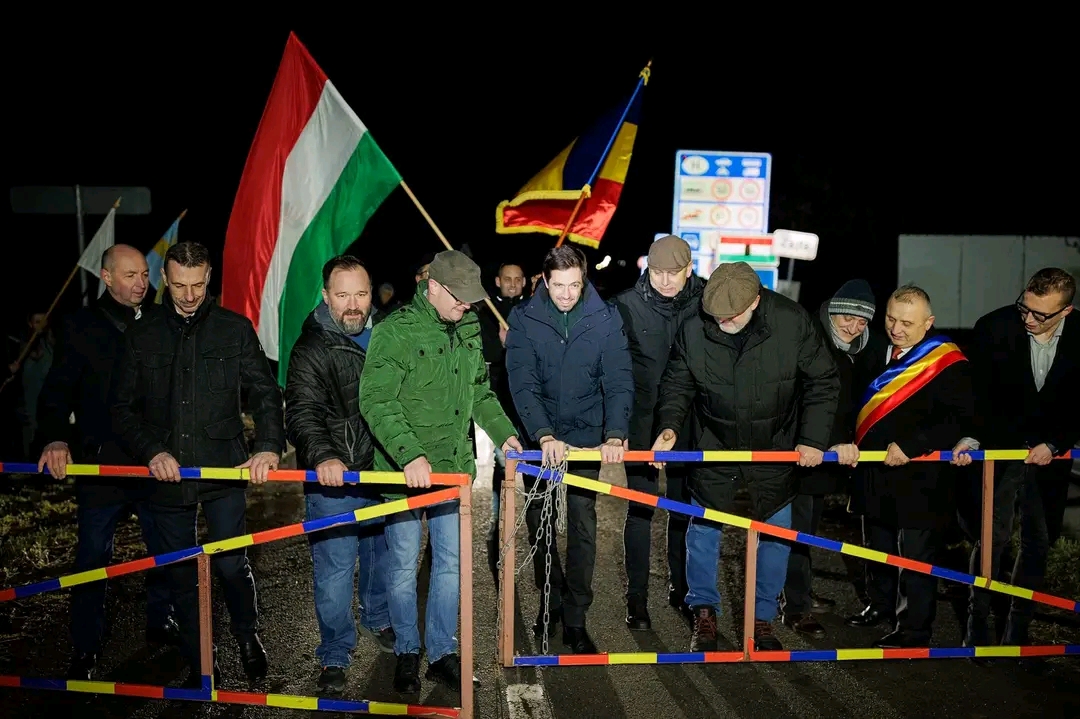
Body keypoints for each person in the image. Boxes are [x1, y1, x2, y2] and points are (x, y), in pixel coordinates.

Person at [110, 241, 285, 688]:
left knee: (229, 564)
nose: (189, 295)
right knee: (181, 573)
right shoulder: (142, 333)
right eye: (180, 285)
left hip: (223, 471)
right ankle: (200, 659)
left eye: (199, 285)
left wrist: (267, 445)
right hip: (166, 477)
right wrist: (152, 451)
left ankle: (248, 636)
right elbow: (122, 408)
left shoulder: (234, 329)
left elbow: (265, 393)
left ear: (211, 280)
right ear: (165, 280)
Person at [653, 261, 840, 652]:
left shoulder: (792, 323)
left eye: (730, 316)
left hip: (776, 444)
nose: (720, 322)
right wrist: (669, 427)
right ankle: (704, 612)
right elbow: (677, 381)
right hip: (714, 443)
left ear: (756, 302)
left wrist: (812, 439)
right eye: (716, 316)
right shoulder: (695, 325)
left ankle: (763, 617)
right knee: (703, 532)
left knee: (775, 534)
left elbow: (823, 380)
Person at [360, 250, 521, 694]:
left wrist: (505, 433)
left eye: (471, 298)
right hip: (405, 473)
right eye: (460, 298)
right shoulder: (395, 331)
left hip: (453, 472)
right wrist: (409, 455)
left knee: (450, 566)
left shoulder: (468, 327)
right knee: (402, 568)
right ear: (432, 287)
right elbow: (376, 400)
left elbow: (480, 393)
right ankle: (408, 650)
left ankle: (443, 651)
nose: (467, 306)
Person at [36, 244, 177, 680]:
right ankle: (84, 647)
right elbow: (57, 390)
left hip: (154, 463)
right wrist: (56, 438)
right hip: (101, 466)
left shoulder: (159, 322)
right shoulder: (79, 327)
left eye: (145, 275)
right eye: (131, 275)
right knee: (92, 558)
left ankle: (161, 620)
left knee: (164, 550)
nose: (141, 283)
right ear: (107, 277)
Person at [504, 245, 634, 653]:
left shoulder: (606, 317)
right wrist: (542, 435)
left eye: (574, 285)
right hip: (539, 439)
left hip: (585, 438)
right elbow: (521, 382)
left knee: (582, 526)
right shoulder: (523, 319)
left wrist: (614, 432)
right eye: (558, 285)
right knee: (540, 526)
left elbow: (618, 379)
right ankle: (548, 602)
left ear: (584, 280)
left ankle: (576, 618)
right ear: (544, 280)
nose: (566, 294)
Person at [284, 256, 394, 695]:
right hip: (335, 480)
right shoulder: (311, 347)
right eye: (343, 295)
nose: (353, 305)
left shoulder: (390, 336)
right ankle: (334, 651)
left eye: (361, 294)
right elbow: (302, 413)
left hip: (384, 472)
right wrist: (323, 457)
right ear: (326, 296)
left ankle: (378, 617)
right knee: (333, 569)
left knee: (380, 555)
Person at [845, 284, 974, 648]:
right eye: (890, 318)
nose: (896, 328)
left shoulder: (947, 360)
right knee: (877, 546)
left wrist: (913, 444)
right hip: (874, 472)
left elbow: (958, 419)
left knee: (916, 557)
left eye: (906, 322)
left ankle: (914, 629)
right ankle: (880, 605)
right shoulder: (874, 350)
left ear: (928, 322)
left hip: (921, 477)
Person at [964, 268, 1078, 649]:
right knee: (991, 540)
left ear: (1066, 312)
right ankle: (976, 625)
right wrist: (972, 436)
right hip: (1001, 449)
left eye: (1040, 315)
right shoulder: (993, 328)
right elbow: (975, 394)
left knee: (1038, 541)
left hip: (1050, 457)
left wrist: (1057, 442)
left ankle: (1018, 628)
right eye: (1024, 308)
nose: (1028, 319)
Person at [613, 235, 704, 627]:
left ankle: (683, 590)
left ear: (689, 270)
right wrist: (617, 425)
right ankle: (637, 600)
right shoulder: (625, 305)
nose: (665, 281)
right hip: (641, 420)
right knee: (641, 509)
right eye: (657, 272)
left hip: (691, 421)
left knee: (684, 509)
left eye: (674, 273)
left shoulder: (707, 303)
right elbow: (615, 370)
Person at [780, 279, 876, 638]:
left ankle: (797, 593)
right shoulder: (811, 339)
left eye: (861, 322)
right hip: (803, 450)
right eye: (846, 318)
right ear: (833, 310)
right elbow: (805, 399)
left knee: (808, 528)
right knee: (797, 530)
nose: (852, 327)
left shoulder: (864, 349)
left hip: (831, 456)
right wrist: (829, 441)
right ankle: (795, 607)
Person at [476, 260, 529, 583]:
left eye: (517, 279)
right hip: (500, 398)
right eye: (506, 279)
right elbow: (487, 350)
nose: (511, 284)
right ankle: (499, 514)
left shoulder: (533, 310)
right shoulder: (486, 311)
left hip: (528, 402)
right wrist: (502, 345)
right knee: (502, 462)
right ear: (497, 281)